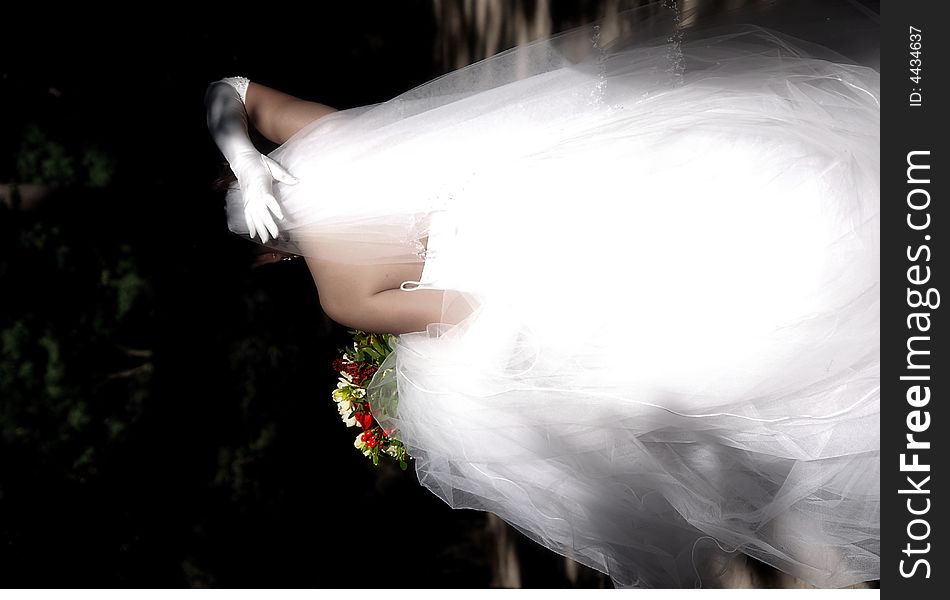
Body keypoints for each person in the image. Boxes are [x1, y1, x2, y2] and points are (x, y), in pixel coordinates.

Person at [206, 1, 879, 588]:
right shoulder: (323, 140)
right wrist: (241, 153)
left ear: (265, 258)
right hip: (543, 185)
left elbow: (462, 309)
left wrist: (410, 372)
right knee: (714, 191)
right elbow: (229, 88)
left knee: (708, 324)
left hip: (528, 266)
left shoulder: (341, 296)